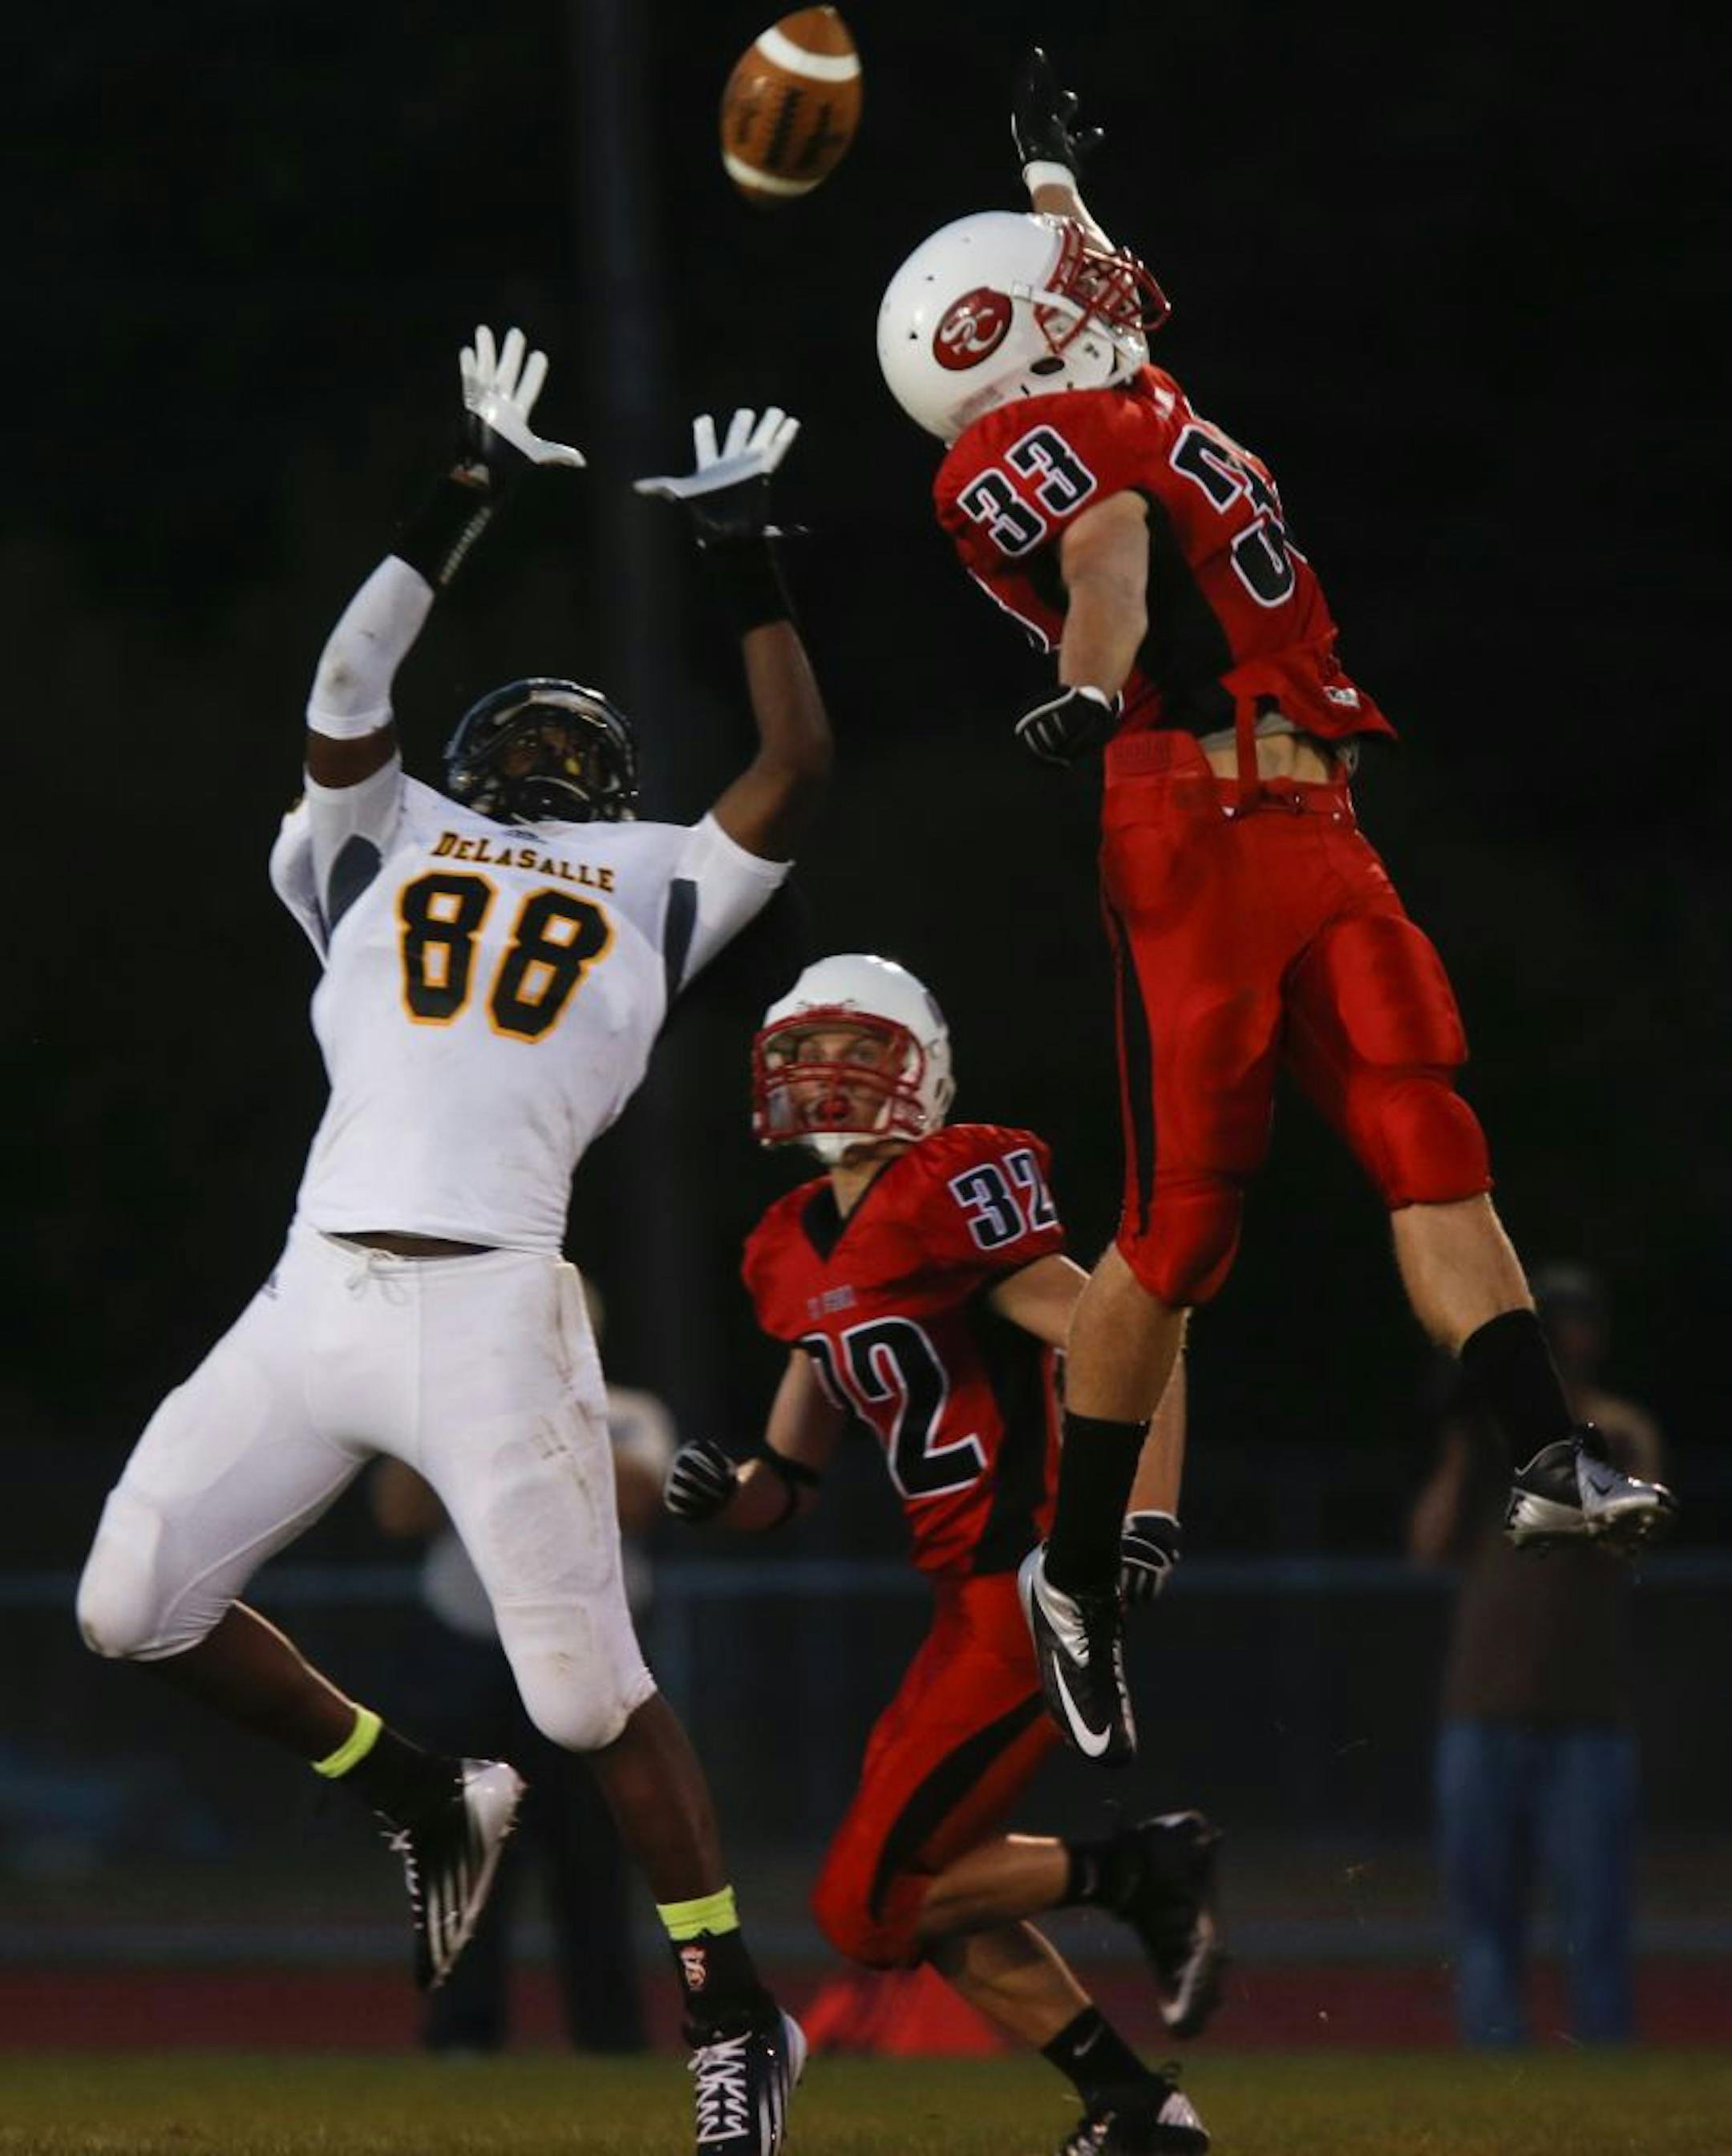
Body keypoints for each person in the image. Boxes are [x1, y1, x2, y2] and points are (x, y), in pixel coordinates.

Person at [75, 326, 830, 2154]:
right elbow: (359, 685)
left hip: (493, 1295)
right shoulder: (394, 837)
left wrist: (729, 545)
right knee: (128, 1605)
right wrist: (469, 494)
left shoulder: (634, 873)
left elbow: (795, 768)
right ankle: (420, 1792)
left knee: (587, 1691)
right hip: (320, 1280)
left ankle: (733, 2011)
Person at [873, 51, 1675, 1766]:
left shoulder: (1129, 383)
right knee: (1182, 1230)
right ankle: (1074, 1572)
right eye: (1059, 286)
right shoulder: (1042, 442)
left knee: (1424, 1120)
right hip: (1191, 819)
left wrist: (1049, 185)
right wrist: (1091, 693)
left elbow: (1099, 314)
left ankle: (1546, 1452)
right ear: (1007, 352)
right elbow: (1109, 568)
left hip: (1317, 812)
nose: (1096, 280)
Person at [664, 953, 1218, 2156]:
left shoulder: (945, 1188)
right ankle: (1134, 2104)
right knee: (922, 1885)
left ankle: (1138, 1881)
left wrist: (1139, 1527)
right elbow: (791, 1479)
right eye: (806, 1051)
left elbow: (1134, 1339)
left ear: (921, 1069)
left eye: (861, 1049)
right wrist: (726, 1494)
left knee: (867, 1902)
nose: (826, 1075)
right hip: (955, 1604)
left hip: (1024, 1586)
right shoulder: (788, 1247)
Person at [370, 1281, 675, 2054]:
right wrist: (472, 1424)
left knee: (594, 1857)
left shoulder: (628, 1410)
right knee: (467, 1850)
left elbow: (640, 1500)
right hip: (469, 1653)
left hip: (589, 1657)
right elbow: (398, 1512)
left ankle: (610, 2041)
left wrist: (551, 1416)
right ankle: (462, 2037)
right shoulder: (454, 1410)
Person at [1409, 1262, 1666, 2045]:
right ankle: (1497, 2067)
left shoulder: (1618, 1428)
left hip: (1585, 1709)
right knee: (1482, 1909)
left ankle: (1607, 2061)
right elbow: (1428, 1547)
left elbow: (1631, 1531)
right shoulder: (1491, 1437)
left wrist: (1544, 1443)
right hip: (1482, 1704)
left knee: (1595, 1913)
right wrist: (1465, 1446)